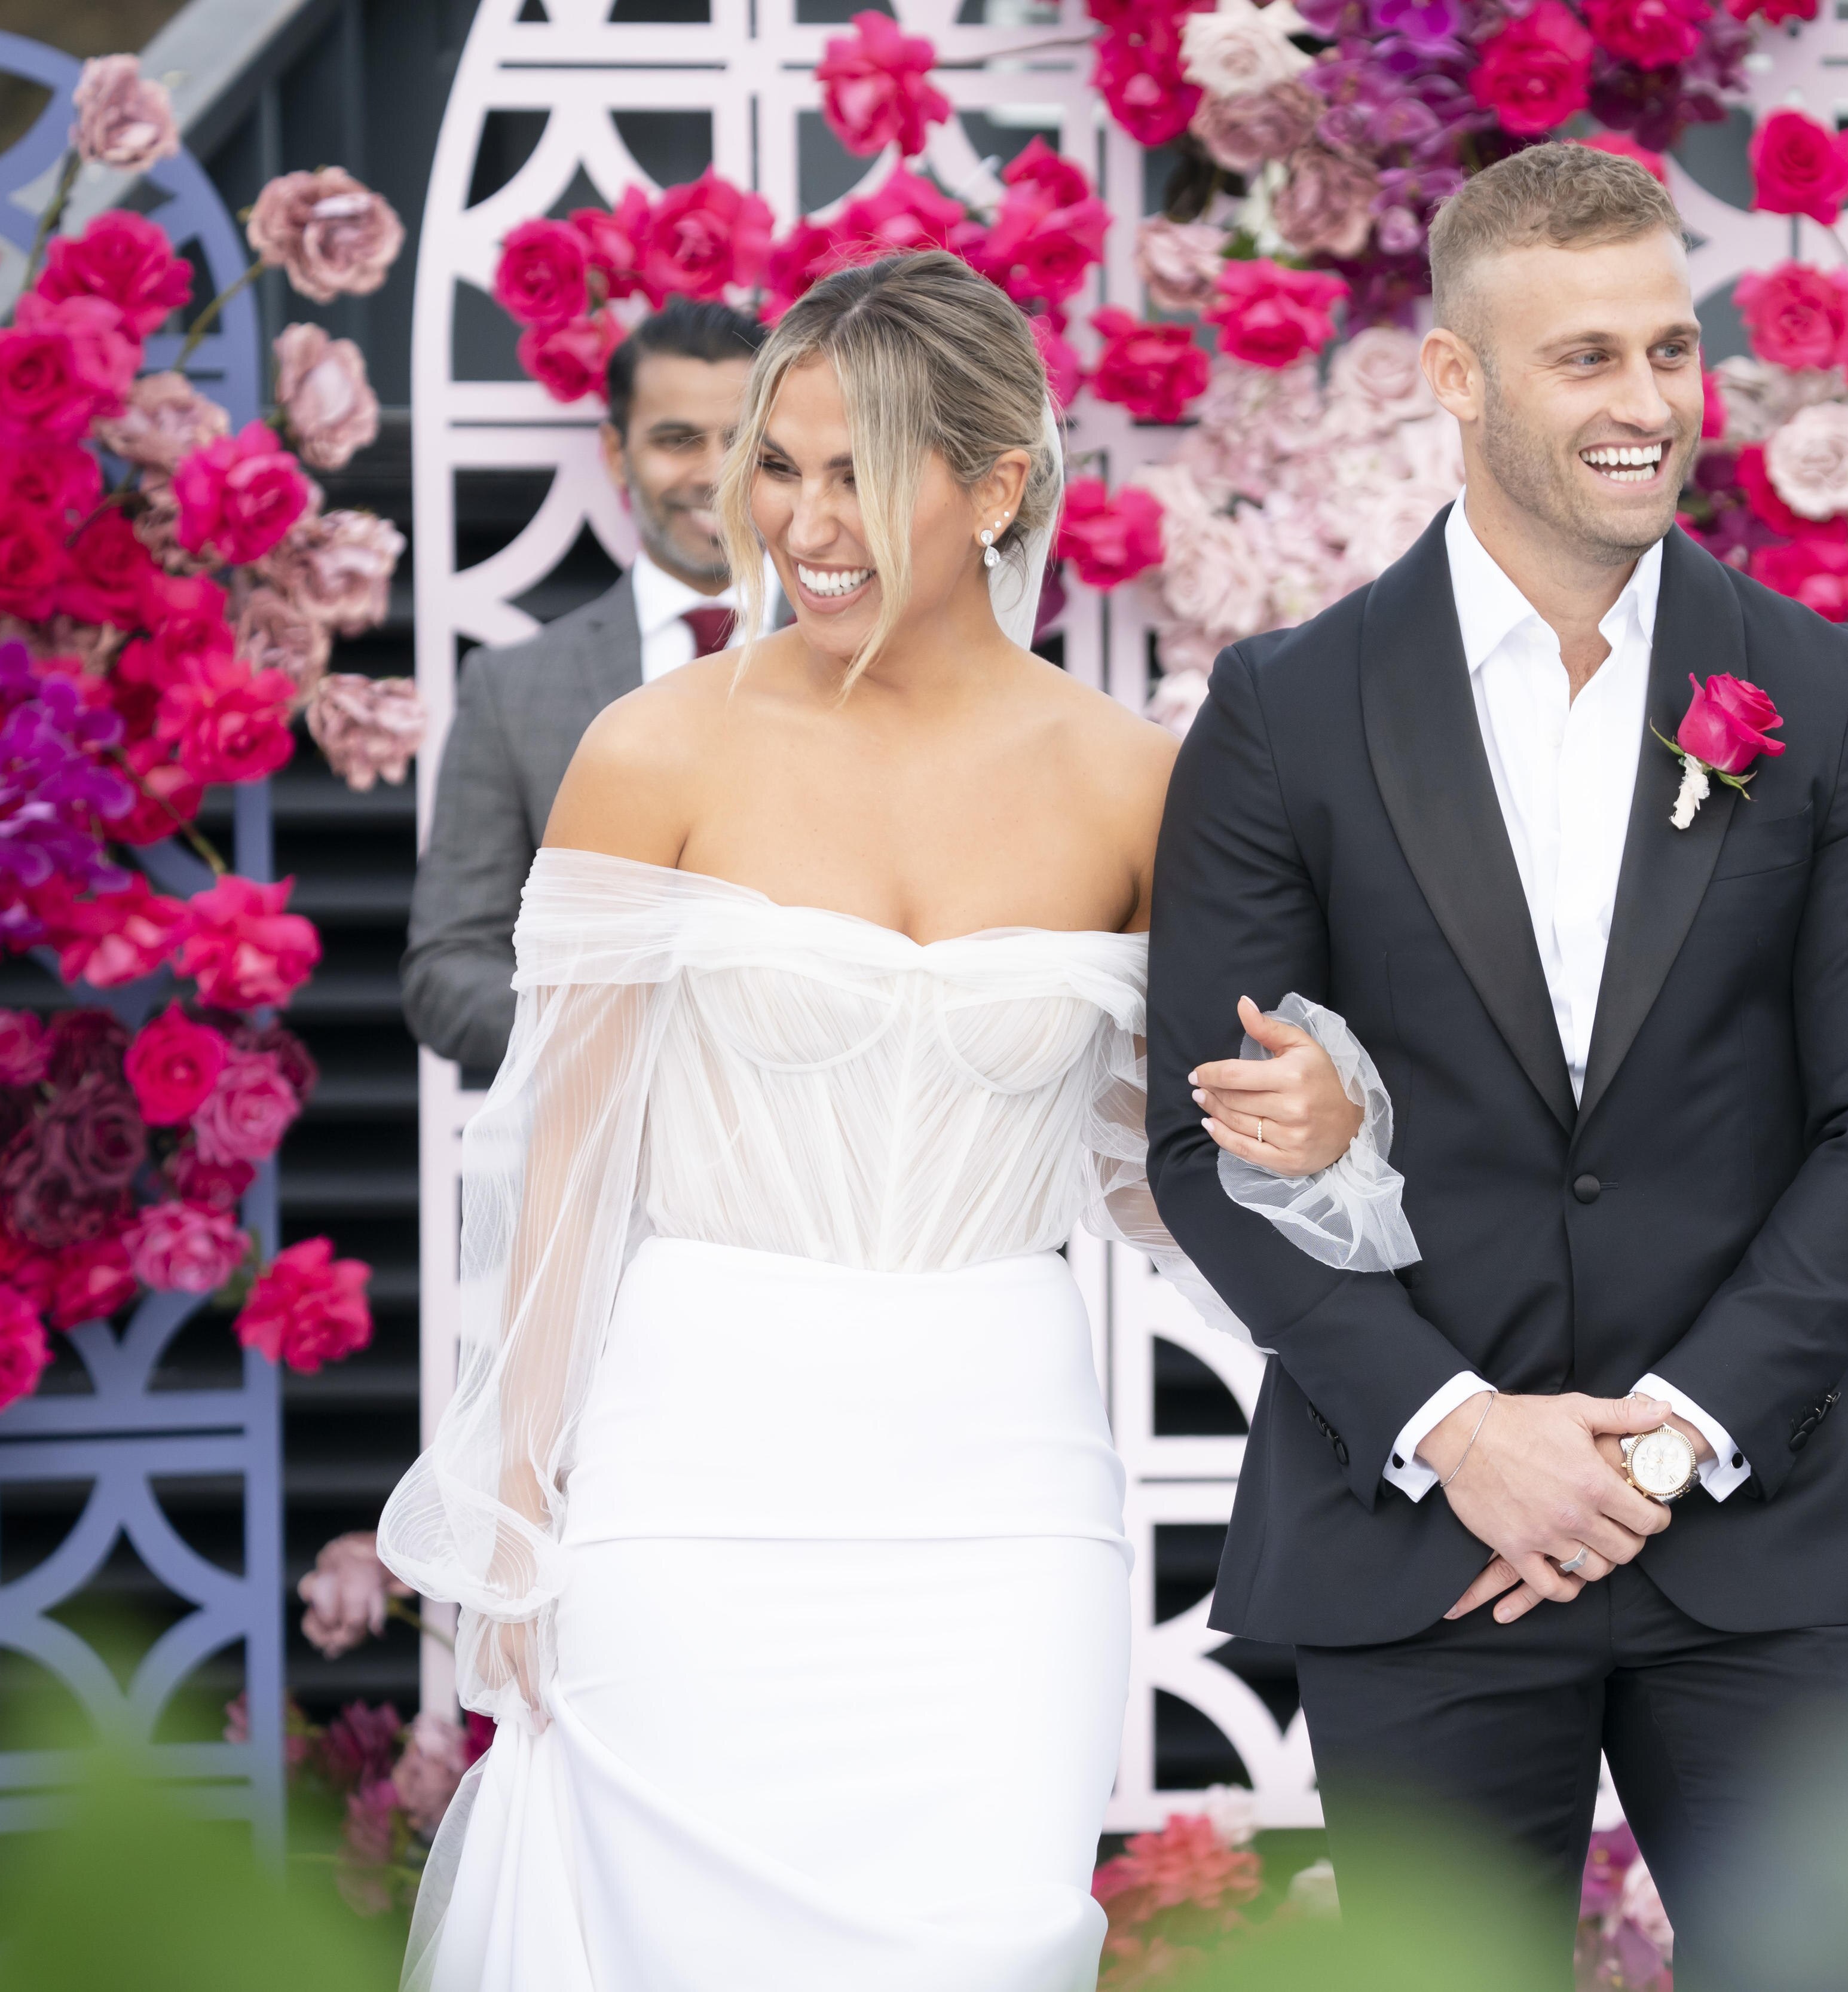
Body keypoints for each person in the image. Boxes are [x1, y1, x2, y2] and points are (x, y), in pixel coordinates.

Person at [378, 251, 1402, 1990]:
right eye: (778, 464)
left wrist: (1320, 1115)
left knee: (984, 1939)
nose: (799, 516)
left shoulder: (1138, 779)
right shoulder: (652, 752)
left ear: (998, 486)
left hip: (1000, 1488)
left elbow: (1173, 1163)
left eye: (861, 468)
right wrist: (520, 1503)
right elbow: (566, 1169)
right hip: (690, 1469)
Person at [1146, 141, 1848, 1977]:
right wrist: (1464, 1435)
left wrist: (1672, 1437)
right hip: (1423, 1536)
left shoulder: (1825, 698)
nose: (1649, 404)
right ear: (1457, 377)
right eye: (1585, 357)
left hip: (1755, 1533)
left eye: (1673, 351)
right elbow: (1209, 1145)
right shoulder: (1288, 712)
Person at [403, 298, 765, 1077]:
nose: (712, 472)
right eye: (676, 440)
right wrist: (613, 1045)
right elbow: (447, 967)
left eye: (742, 442)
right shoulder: (513, 687)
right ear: (615, 453)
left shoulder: (864, 661)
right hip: (598, 1164)